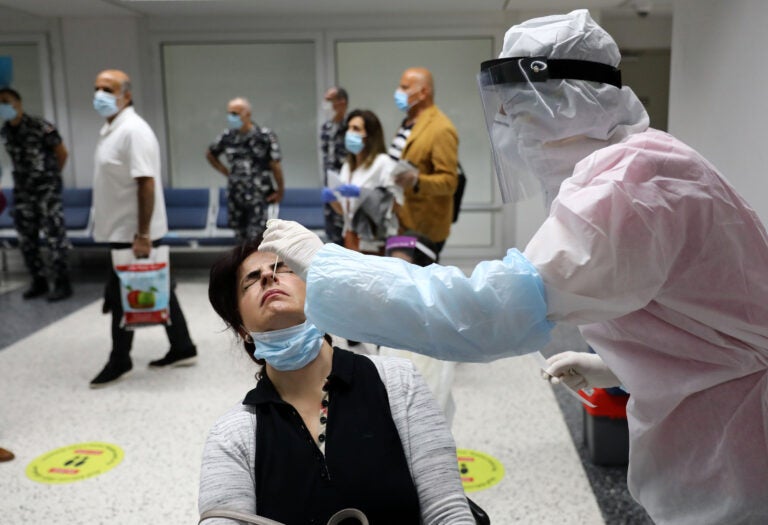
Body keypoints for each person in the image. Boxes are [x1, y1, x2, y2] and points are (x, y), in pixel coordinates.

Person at [260, 10, 768, 525]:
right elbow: (709, 320)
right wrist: (619, 364)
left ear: (572, 101)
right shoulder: (643, 164)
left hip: (741, 446)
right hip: (722, 417)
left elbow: (485, 312)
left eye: (522, 112)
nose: (512, 131)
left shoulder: (628, 189)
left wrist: (330, 265)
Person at [200, 239, 473, 524]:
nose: (268, 276)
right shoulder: (233, 436)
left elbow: (447, 512)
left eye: (284, 269)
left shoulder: (399, 383)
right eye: (251, 280)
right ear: (243, 330)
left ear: (318, 295)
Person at [89, 69, 197, 388]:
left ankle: (119, 359)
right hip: (120, 230)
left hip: (134, 234)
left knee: (123, 294)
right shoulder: (111, 128)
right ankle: (182, 346)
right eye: (96, 88)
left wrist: (143, 234)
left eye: (107, 89)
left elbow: (146, 183)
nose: (99, 94)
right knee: (159, 287)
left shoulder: (134, 131)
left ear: (126, 95)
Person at [0, 87, 72, 301]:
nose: (3, 107)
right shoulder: (6, 132)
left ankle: (62, 284)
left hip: (46, 192)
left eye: (6, 101)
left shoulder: (40, 126)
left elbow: (62, 154)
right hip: (23, 193)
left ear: (18, 103)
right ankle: (38, 281)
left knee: (54, 238)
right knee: (27, 240)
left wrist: (50, 178)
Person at [379, 232, 456, 424]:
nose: (393, 273)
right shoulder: (395, 307)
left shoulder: (431, 320)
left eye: (402, 266)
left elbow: (431, 397)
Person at [388, 67, 458, 258]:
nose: (398, 92)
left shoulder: (440, 128)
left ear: (423, 92)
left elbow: (449, 182)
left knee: (419, 281)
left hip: (424, 227)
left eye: (404, 87)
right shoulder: (408, 122)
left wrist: (416, 180)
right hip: (402, 220)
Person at [206, 97, 285, 242]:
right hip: (236, 195)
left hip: (258, 195)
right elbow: (210, 154)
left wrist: (280, 189)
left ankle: (257, 264)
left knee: (257, 238)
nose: (231, 117)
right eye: (229, 113)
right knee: (240, 238)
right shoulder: (227, 136)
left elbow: (275, 164)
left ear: (247, 114)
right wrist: (226, 172)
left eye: (235, 113)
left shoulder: (264, 136)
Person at [323, 109, 401, 254]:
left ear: (369, 135)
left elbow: (393, 204)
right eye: (349, 128)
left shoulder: (382, 163)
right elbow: (345, 211)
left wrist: (362, 194)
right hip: (350, 237)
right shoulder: (347, 166)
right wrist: (333, 199)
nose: (349, 133)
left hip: (374, 240)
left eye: (356, 129)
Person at [319, 86, 347, 245]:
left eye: (330, 100)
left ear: (342, 102)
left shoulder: (350, 126)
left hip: (346, 187)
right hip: (330, 187)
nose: (326, 104)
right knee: (332, 232)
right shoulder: (326, 128)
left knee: (347, 233)